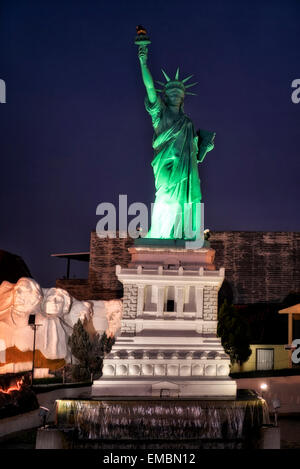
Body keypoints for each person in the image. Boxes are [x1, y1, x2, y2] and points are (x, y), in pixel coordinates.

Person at [138, 45, 215, 239]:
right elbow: (149, 87)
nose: (174, 96)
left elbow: (195, 157)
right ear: (166, 96)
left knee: (182, 202)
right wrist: (143, 61)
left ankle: (182, 234)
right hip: (165, 164)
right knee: (164, 197)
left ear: (182, 99)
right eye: (171, 93)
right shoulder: (159, 114)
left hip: (186, 169)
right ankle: (159, 233)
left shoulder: (188, 123)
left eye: (178, 95)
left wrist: (205, 148)